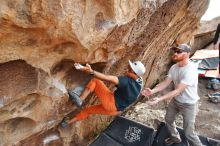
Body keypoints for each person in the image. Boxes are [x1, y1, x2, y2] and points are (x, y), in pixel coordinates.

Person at [142, 44, 203, 146]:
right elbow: (165, 83)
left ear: (187, 54)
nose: (175, 53)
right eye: (175, 51)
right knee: (169, 119)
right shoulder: (174, 67)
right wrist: (152, 91)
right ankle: (175, 138)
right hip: (176, 100)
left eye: (179, 52)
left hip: (189, 104)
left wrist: (159, 99)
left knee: (189, 132)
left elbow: (177, 90)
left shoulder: (190, 70)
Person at [61, 60, 145, 127]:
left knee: (96, 80)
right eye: (128, 67)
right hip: (116, 111)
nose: (127, 69)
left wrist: (91, 71)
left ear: (135, 74)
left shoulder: (126, 81)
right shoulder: (139, 82)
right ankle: (67, 123)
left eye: (129, 69)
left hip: (112, 103)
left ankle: (80, 99)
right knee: (89, 110)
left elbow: (107, 78)